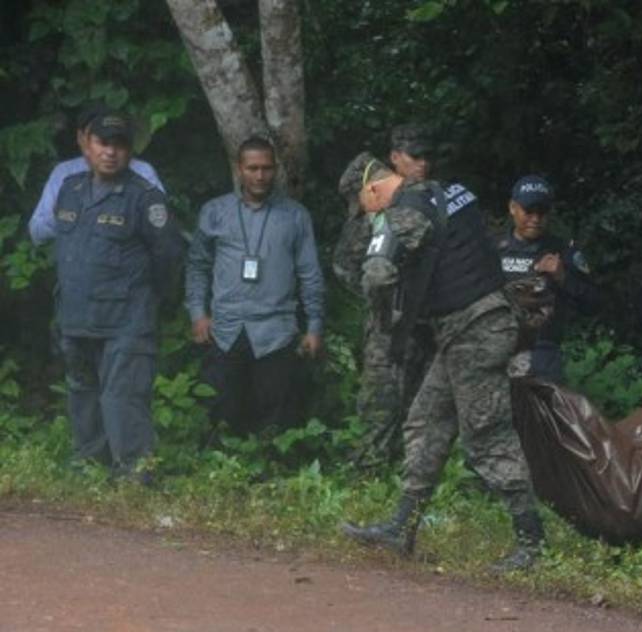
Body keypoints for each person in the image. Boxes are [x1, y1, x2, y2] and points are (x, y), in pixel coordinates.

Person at [340, 126, 545, 572]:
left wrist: (386, 317)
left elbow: (376, 273)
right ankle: (401, 527)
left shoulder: (403, 210)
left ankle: (531, 543)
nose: (367, 213)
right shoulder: (453, 192)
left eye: (364, 205)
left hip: (472, 330)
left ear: (374, 189)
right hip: (476, 325)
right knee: (426, 422)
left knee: (486, 435)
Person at [47, 110, 184, 475]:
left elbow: (169, 258)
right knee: (82, 393)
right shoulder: (70, 189)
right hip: (75, 315)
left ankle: (135, 476)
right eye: (103, 143)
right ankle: (91, 467)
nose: (110, 152)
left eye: (119, 145)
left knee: (123, 398)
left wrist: (152, 303)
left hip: (126, 320)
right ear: (86, 145)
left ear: (130, 151)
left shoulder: (145, 198)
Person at [184, 135, 325, 435]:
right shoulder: (215, 211)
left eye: (267, 168)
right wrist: (197, 313)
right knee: (222, 416)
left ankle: (274, 472)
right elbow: (197, 265)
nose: (260, 176)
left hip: (276, 331)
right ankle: (222, 475)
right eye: (252, 168)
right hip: (225, 329)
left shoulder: (295, 216)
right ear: (239, 169)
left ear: (276, 170)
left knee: (277, 420)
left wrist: (314, 326)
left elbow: (310, 274)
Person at [334, 151, 427, 468]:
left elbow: (376, 274)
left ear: (371, 189)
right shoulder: (371, 220)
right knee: (387, 397)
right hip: (396, 322)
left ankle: (393, 467)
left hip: (411, 322)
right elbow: (345, 267)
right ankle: (380, 466)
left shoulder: (410, 210)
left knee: (409, 398)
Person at [496, 175, 598, 383]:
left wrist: (562, 277)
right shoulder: (491, 249)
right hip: (495, 349)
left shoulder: (563, 252)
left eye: (542, 212)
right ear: (512, 208)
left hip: (542, 354)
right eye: (528, 210)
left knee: (544, 414)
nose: (535, 218)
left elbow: (594, 303)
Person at [29, 103, 164, 245]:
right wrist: (69, 216)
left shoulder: (142, 171)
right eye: (98, 138)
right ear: (81, 138)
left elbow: (160, 230)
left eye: (111, 136)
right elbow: (36, 231)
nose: (108, 150)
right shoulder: (64, 172)